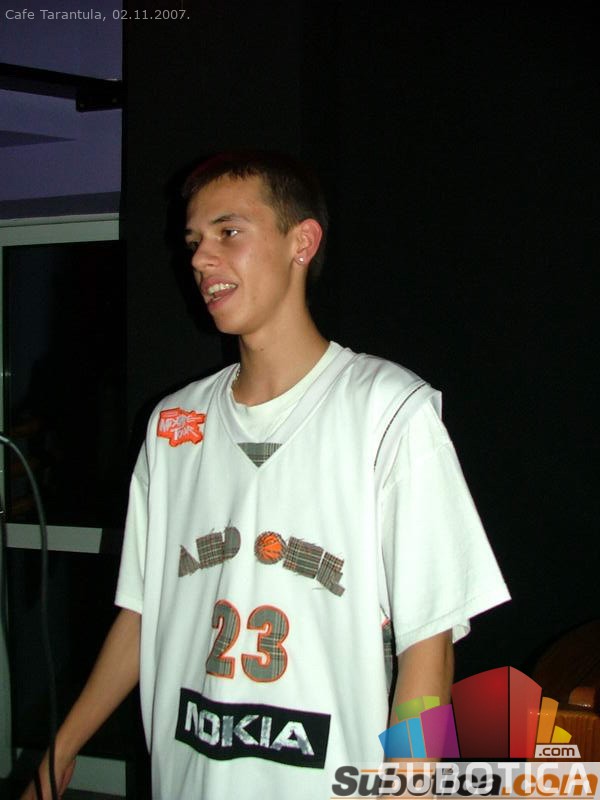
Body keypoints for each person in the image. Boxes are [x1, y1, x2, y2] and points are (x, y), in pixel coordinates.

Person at [22, 151, 509, 799]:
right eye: (193, 242)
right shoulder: (174, 424)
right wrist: (61, 750)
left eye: (228, 232)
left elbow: (431, 648)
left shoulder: (389, 410)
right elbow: (143, 612)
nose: (200, 258)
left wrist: (410, 788)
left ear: (301, 242)